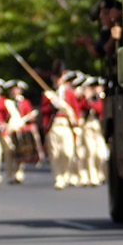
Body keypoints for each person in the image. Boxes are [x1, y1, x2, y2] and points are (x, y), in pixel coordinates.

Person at [41, 62, 82, 190]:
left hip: (66, 125)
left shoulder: (69, 94)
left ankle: (65, 174)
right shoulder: (49, 94)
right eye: (55, 77)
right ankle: (58, 178)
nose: (57, 80)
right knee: (55, 153)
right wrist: (50, 106)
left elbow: (75, 109)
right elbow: (43, 110)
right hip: (54, 125)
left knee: (67, 152)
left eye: (60, 77)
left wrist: (76, 122)